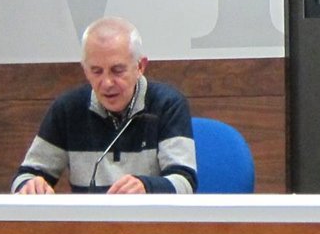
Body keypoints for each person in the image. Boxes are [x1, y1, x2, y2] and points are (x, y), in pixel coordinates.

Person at [12, 16, 197, 194]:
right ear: (85, 70)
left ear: (140, 66)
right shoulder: (68, 109)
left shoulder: (167, 104)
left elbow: (184, 183)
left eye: (117, 71)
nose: (107, 83)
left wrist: (146, 187)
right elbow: (24, 177)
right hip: (88, 217)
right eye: (96, 71)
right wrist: (30, 187)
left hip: (149, 215)